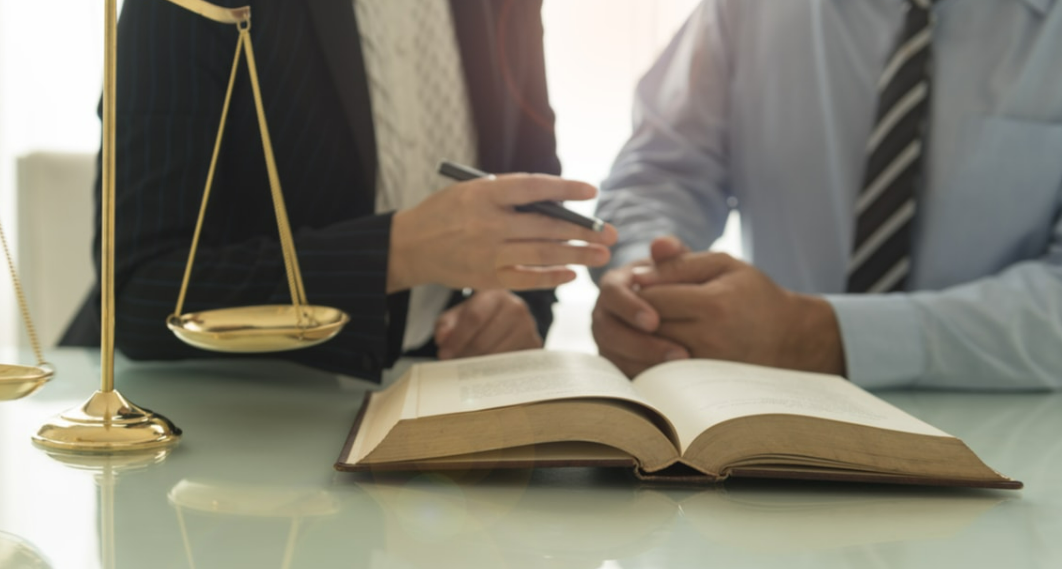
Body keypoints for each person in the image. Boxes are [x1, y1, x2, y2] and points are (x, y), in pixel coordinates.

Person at [61, 0, 616, 381]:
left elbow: (528, 195)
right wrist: (399, 252)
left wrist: (514, 308)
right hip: (215, 441)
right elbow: (138, 294)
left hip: (423, 429)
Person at [592, 0, 1062, 390]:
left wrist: (819, 335)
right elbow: (661, 173)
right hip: (772, 428)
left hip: (1022, 443)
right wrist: (653, 285)